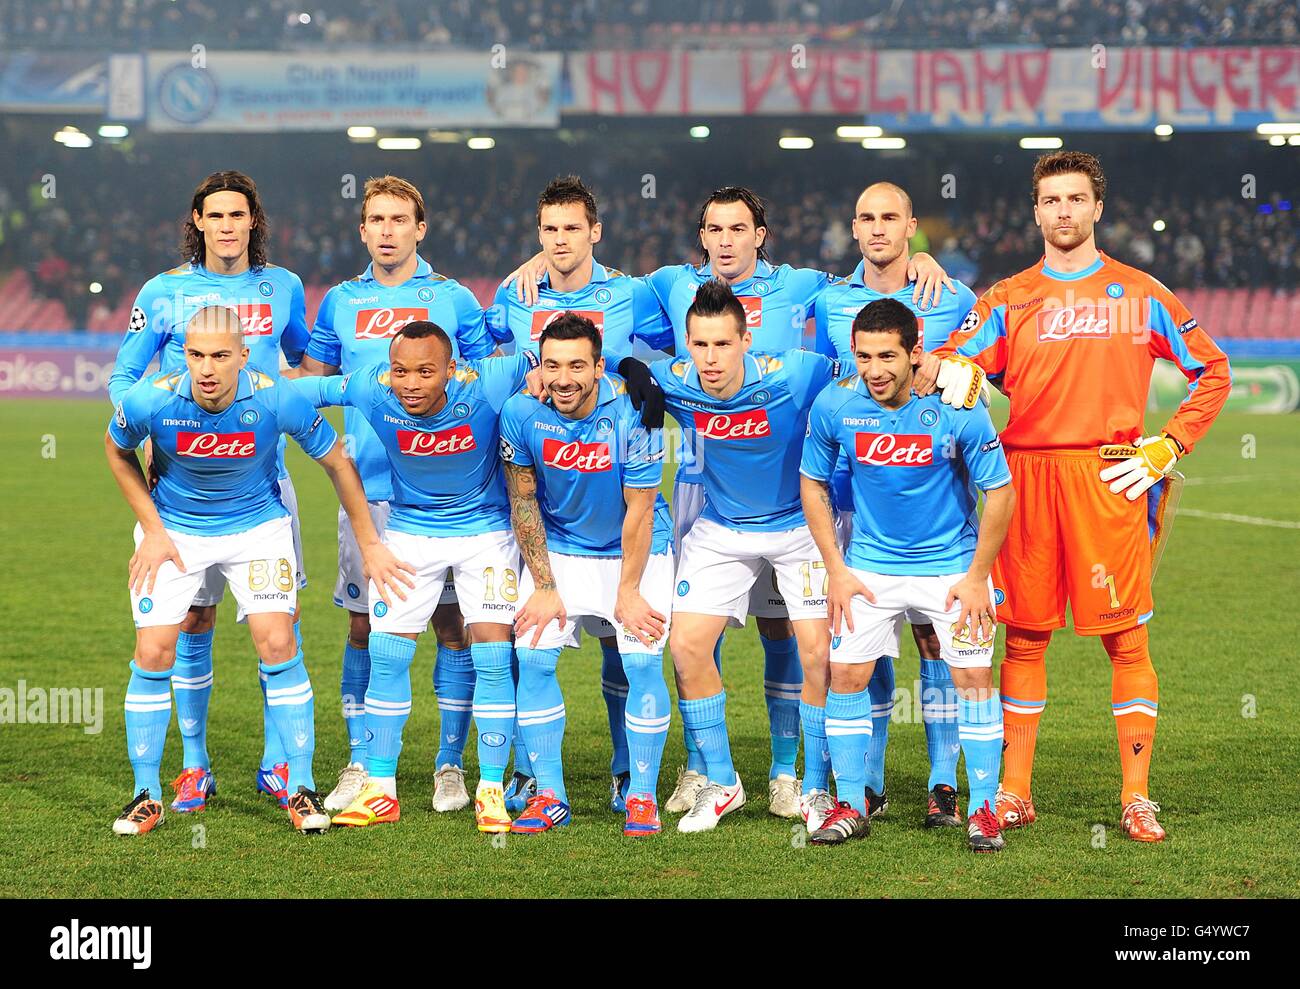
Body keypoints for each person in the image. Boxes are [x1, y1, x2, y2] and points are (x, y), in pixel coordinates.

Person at [916, 150, 1232, 841]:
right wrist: (951, 373)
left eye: (1075, 199)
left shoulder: (1140, 292)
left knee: (1125, 636)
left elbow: (1212, 368)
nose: (1062, 211)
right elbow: (958, 372)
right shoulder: (1006, 297)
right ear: (1035, 212)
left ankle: (1137, 796)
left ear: (1097, 208)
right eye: (1050, 200)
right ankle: (1015, 791)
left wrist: (1168, 444)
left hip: (1109, 475)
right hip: (1024, 479)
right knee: (1024, 637)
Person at [105, 306, 407, 835]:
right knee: (153, 651)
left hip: (257, 529)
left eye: (220, 356)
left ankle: (302, 789)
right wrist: (152, 529)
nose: (206, 368)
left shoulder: (275, 396)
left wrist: (370, 544)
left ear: (243, 357)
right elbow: (116, 450)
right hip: (175, 531)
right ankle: (145, 794)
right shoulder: (152, 398)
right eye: (195, 354)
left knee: (277, 643)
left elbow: (337, 461)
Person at [295, 175, 498, 816]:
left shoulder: (455, 299)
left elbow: (485, 379)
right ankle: (363, 763)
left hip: (451, 493)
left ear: (420, 227)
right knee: (365, 627)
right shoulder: (339, 301)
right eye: (375, 219)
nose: (386, 230)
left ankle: (449, 764)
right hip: (370, 491)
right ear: (363, 230)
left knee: (455, 628)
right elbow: (313, 380)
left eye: (398, 219)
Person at [109, 170, 310, 815]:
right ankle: (194, 765)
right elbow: (125, 374)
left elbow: (309, 359)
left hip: (262, 482)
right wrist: (146, 427)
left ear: (254, 221)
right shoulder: (163, 292)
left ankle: (280, 765)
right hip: (181, 483)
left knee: (278, 628)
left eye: (238, 214)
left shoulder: (283, 288)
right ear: (197, 221)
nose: (226, 226)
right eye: (214, 215)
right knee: (192, 619)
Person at [293, 321, 540, 834]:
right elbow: (304, 388)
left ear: (452, 370)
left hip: (486, 532)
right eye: (400, 370)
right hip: (410, 531)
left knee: (492, 655)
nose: (409, 383)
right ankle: (381, 790)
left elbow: (547, 361)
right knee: (386, 654)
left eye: (426, 372)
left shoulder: (491, 380)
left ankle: (489, 790)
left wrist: (538, 372)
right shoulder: (370, 386)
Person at [800, 299, 1015, 851]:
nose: (875, 370)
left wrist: (977, 577)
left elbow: (1000, 492)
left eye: (889, 356)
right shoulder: (835, 405)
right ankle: (851, 804)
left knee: (973, 682)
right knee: (844, 676)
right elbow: (812, 483)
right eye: (865, 356)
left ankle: (984, 810)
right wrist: (837, 570)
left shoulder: (958, 406)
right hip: (870, 568)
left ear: (915, 351)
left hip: (951, 569)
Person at [487, 175, 669, 814]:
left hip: (625, 484)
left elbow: (694, 338)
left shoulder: (633, 292)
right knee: (526, 642)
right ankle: (533, 779)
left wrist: (638, 373)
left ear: (595, 231)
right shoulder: (514, 293)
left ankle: (632, 774)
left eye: (572, 228)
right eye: (549, 230)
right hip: (553, 496)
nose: (560, 240)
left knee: (630, 650)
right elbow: (484, 360)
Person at [813, 182, 980, 828]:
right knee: (865, 641)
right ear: (853, 229)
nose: (878, 228)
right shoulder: (830, 299)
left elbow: (975, 382)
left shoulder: (952, 297)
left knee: (935, 639)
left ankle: (943, 782)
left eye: (891, 217)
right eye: (867, 218)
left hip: (933, 497)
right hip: (854, 492)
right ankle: (872, 779)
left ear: (912, 225)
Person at [649, 278, 839, 833]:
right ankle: (725, 782)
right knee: (684, 646)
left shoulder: (797, 372)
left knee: (817, 654)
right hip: (721, 526)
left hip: (799, 526)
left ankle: (813, 785)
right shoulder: (676, 382)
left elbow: (865, 378)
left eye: (722, 345)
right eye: (699, 345)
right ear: (686, 343)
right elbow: (606, 376)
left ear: (746, 340)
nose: (710, 359)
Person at [499, 313, 675, 835]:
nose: (564, 378)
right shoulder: (520, 413)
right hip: (563, 548)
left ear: (600, 367)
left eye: (577, 365)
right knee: (531, 656)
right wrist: (547, 587)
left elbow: (640, 509)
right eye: (552, 365)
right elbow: (523, 501)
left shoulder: (634, 414)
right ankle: (549, 793)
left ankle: (642, 795)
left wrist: (627, 591)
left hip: (636, 550)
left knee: (641, 664)